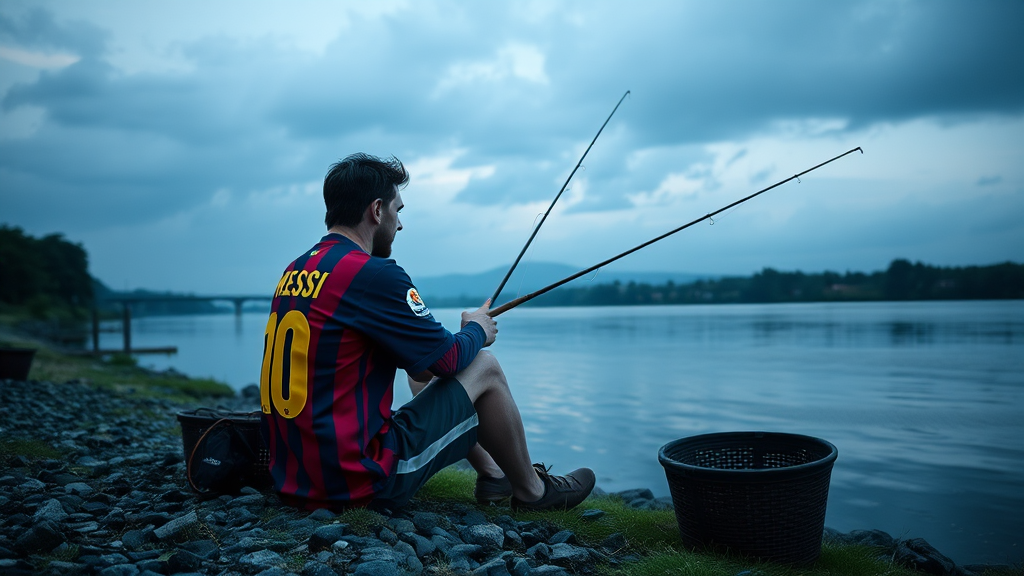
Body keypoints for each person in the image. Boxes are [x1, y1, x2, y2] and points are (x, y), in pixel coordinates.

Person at [259, 152, 595, 511]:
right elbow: (450, 360)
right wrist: (477, 330)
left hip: (295, 476)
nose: (399, 224)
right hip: (355, 482)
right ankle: (534, 492)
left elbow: (424, 367)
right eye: (397, 210)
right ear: (376, 211)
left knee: (422, 375)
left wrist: (452, 343)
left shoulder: (295, 270)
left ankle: (494, 473)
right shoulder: (373, 273)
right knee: (485, 366)